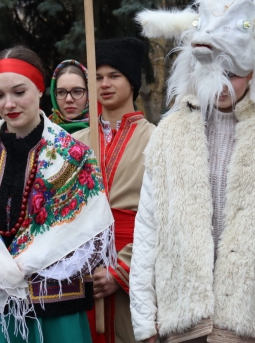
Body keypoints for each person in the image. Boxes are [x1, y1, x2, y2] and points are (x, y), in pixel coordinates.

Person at [131, 0, 255, 343]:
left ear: (253, 70)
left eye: (234, 73)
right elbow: (147, 231)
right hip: (183, 321)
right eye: (215, 72)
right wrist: (144, 319)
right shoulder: (169, 134)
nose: (225, 84)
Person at [0, 45, 114, 343]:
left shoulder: (73, 155)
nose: (9, 104)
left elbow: (86, 229)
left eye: (19, 92)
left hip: (54, 308)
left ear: (41, 88)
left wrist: (28, 262)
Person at [73, 37, 155, 343]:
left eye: (114, 76)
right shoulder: (74, 144)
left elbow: (167, 218)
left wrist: (121, 270)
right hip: (80, 276)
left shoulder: (159, 141)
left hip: (138, 271)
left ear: (132, 82)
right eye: (96, 77)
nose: (104, 84)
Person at [48, 59, 90, 133]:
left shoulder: (102, 132)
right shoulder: (44, 132)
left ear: (89, 93)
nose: (68, 99)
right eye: (61, 92)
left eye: (77, 91)